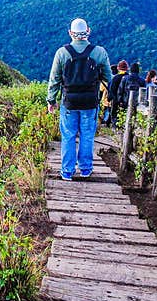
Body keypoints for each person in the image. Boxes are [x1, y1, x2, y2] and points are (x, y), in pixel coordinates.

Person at [47, 18, 112, 180]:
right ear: (88, 31)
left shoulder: (62, 53)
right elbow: (108, 78)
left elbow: (54, 80)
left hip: (69, 102)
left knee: (68, 136)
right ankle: (85, 169)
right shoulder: (99, 52)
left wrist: (51, 100)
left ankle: (67, 171)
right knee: (87, 135)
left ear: (70, 33)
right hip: (90, 102)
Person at [108, 59, 129, 127]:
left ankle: (115, 128)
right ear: (127, 68)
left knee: (114, 115)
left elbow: (111, 89)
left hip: (115, 100)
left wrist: (110, 98)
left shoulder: (115, 78)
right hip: (126, 100)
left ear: (118, 68)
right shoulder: (128, 77)